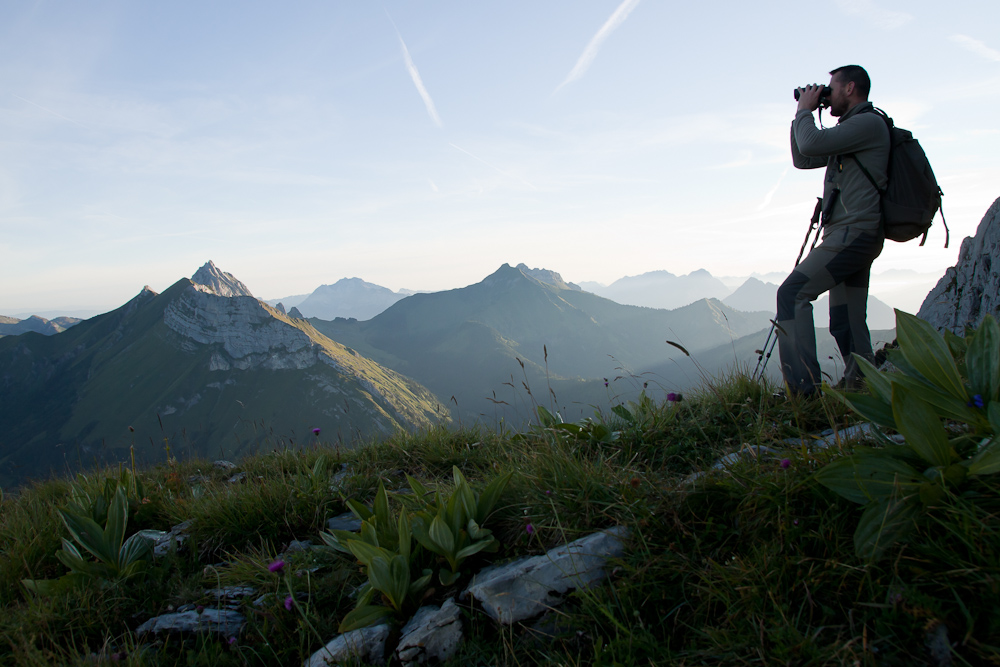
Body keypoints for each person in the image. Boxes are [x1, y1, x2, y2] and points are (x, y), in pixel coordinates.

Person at [777, 65, 890, 395]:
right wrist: (800, 114)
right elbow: (804, 157)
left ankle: (802, 393)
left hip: (854, 233)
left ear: (850, 88)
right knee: (846, 318)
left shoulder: (867, 124)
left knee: (792, 293)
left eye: (831, 89)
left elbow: (811, 144)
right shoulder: (853, 131)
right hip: (856, 235)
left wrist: (804, 112)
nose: (827, 95)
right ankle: (863, 386)